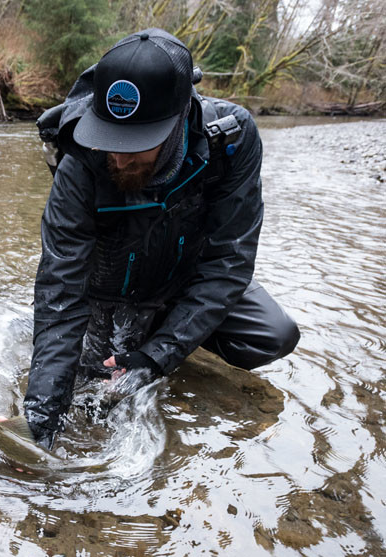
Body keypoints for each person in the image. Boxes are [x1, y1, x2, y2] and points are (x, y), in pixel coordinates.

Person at [23, 28, 300, 449]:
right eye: (108, 138)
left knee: (272, 335)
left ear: (178, 119)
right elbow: (61, 285)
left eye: (135, 145)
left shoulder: (232, 140)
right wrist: (41, 417)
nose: (116, 156)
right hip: (110, 284)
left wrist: (159, 356)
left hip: (182, 277)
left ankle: (168, 327)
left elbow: (229, 263)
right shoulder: (79, 161)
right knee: (86, 386)